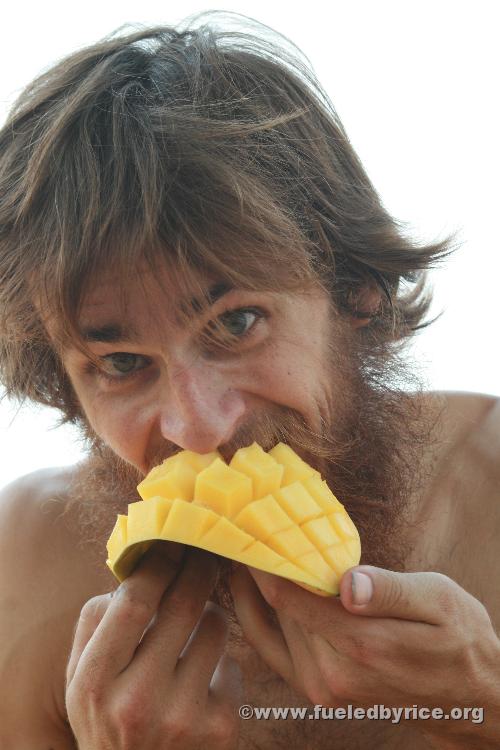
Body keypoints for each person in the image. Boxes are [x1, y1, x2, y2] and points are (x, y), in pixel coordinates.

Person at [0, 12, 498, 749]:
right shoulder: (26, 569)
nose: (197, 427)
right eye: (121, 364)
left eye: (236, 324)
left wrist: (486, 704)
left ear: (355, 291)